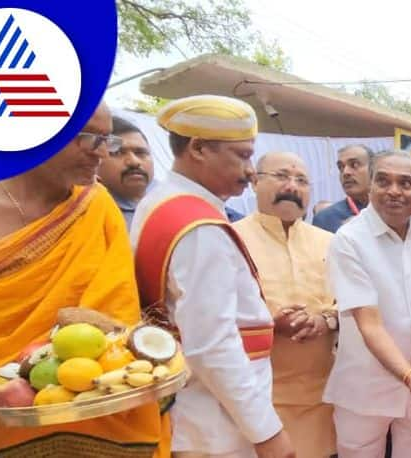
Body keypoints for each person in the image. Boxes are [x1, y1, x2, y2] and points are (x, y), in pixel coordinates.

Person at [0, 103, 166, 456]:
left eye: (107, 140)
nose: (103, 154)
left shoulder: (96, 204)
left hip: (100, 429)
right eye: (88, 139)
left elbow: (116, 318)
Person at [130, 95, 294, 458]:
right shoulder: (198, 225)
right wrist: (265, 432)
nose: (251, 171)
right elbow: (211, 343)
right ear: (199, 148)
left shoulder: (160, 204)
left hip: (196, 412)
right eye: (242, 155)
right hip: (218, 426)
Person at [323, 150, 411, 458]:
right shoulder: (349, 240)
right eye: (384, 181)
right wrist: (409, 377)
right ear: (371, 187)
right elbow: (370, 324)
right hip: (366, 386)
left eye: (405, 183)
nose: (394, 190)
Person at [234, 152, 338, 457]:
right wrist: (269, 323)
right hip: (256, 398)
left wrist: (326, 319)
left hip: (321, 398)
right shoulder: (231, 237)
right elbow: (215, 313)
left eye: (302, 180)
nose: (292, 186)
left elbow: (348, 301)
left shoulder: (330, 242)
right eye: (281, 176)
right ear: (255, 181)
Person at [97, 115, 155, 230]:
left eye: (140, 152)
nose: (134, 162)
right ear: (96, 159)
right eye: (118, 153)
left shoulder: (174, 201)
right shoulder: (86, 211)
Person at [313, 144, 373, 233]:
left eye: (354, 165)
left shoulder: (391, 211)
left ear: (373, 169)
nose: (345, 172)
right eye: (341, 167)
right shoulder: (325, 219)